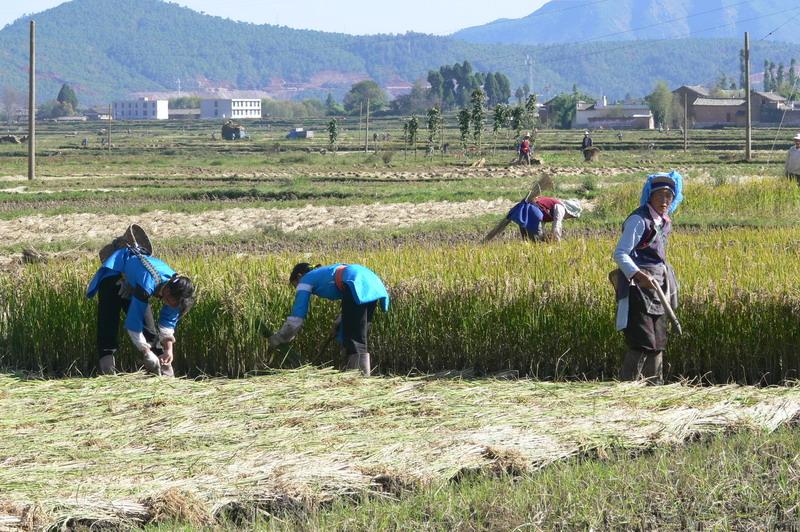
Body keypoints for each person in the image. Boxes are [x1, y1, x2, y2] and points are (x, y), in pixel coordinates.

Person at [86, 226, 195, 377]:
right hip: (114, 274)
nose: (172, 305)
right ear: (167, 292)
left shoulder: (178, 292)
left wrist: (168, 350)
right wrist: (145, 351)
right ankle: (108, 374)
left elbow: (168, 321)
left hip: (134, 281)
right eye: (172, 302)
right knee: (108, 324)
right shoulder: (148, 283)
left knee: (150, 332)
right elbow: (133, 322)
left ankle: (166, 375)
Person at [611, 171, 683, 384]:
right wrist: (637, 274)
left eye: (668, 196)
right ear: (649, 196)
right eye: (659, 195)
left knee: (658, 342)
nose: (664, 201)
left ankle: (655, 387)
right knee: (642, 342)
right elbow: (620, 253)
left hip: (658, 287)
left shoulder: (664, 221)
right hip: (638, 289)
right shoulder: (639, 220)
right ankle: (627, 387)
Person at [268, 263, 390, 376]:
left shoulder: (305, 279)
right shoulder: (324, 272)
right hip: (371, 282)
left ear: (299, 276)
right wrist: (339, 324)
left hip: (356, 282)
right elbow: (350, 305)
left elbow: (297, 316)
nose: (297, 288)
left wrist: (281, 337)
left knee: (353, 338)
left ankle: (359, 378)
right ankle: (359, 376)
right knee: (359, 334)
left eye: (295, 285)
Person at [506, 196, 583, 242]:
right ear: (570, 212)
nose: (568, 218)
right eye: (571, 216)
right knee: (538, 243)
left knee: (528, 241)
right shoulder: (561, 208)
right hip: (532, 213)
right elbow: (557, 225)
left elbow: (542, 222)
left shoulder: (553, 205)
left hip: (523, 212)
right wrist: (557, 242)